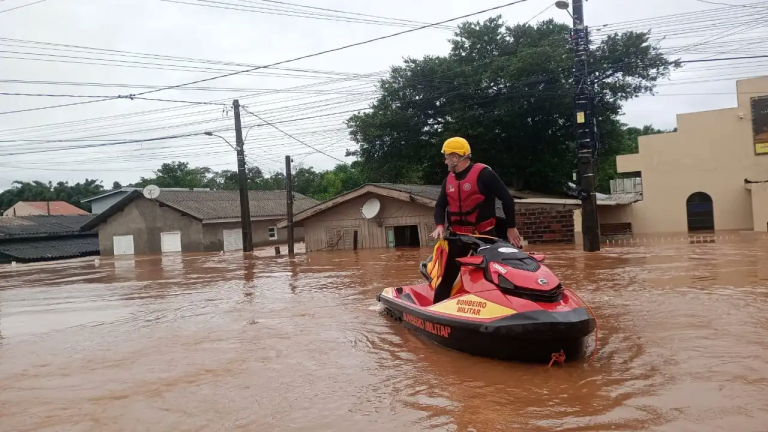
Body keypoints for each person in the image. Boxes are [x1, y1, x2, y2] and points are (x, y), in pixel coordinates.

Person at [430, 136, 522, 304]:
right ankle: (434, 312)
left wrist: (511, 228)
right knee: (447, 277)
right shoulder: (448, 181)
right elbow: (439, 206)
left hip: (485, 235)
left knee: (495, 276)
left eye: (446, 157)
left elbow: (507, 199)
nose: (445, 162)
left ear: (455, 158)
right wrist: (440, 225)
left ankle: (507, 307)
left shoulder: (485, 174)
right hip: (458, 238)